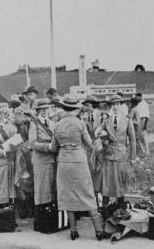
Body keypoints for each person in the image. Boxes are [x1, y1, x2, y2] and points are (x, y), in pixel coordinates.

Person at [49, 96, 103, 241]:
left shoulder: (57, 124)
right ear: (75, 108)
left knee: (68, 195)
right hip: (79, 161)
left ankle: (73, 231)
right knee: (87, 194)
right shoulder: (79, 123)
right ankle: (98, 231)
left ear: (64, 108)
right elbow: (89, 143)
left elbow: (53, 147)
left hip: (64, 163)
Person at [98, 95, 137, 213]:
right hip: (108, 155)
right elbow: (99, 135)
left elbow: (132, 139)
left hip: (121, 155)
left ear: (121, 106)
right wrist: (104, 141)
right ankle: (105, 209)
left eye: (117, 104)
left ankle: (121, 209)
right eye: (113, 105)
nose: (115, 107)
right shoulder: (106, 120)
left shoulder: (127, 120)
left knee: (120, 182)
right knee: (106, 182)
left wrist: (133, 157)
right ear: (110, 106)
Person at [28, 99, 56, 208]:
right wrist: (48, 146)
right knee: (41, 188)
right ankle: (41, 213)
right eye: (42, 109)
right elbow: (32, 144)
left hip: (51, 159)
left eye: (46, 108)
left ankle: (49, 212)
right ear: (38, 110)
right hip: (40, 159)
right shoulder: (34, 124)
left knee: (51, 186)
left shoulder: (52, 123)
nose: (44, 111)